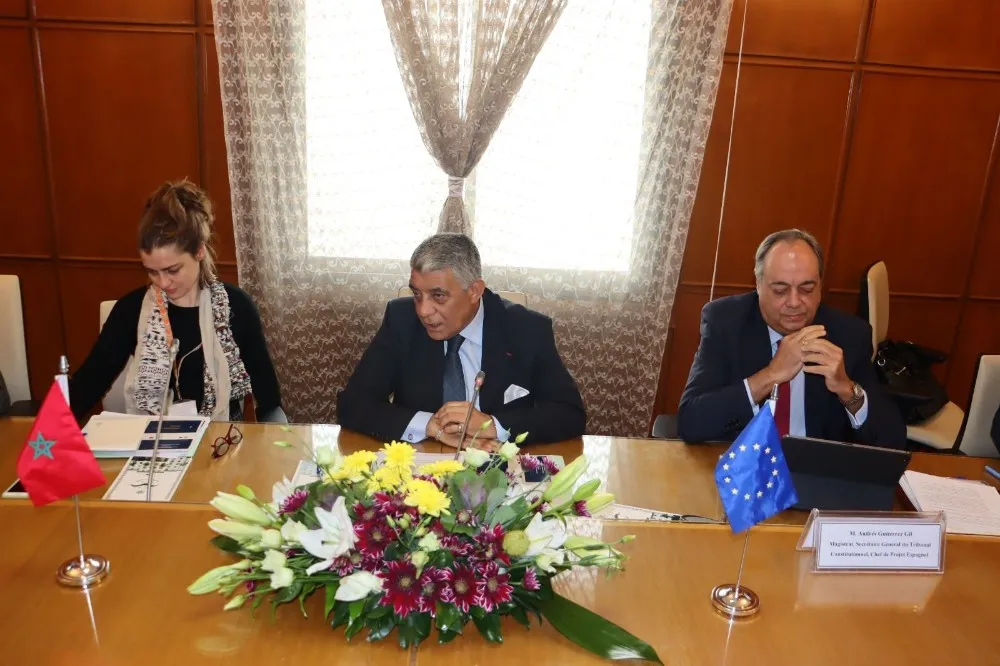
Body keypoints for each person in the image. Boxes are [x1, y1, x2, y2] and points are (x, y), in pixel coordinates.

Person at [337, 233, 585, 447]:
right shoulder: (401, 320)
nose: (423, 310)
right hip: (422, 463)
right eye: (417, 294)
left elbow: (569, 414)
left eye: (438, 296)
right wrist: (430, 425)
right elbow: (354, 404)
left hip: (497, 467)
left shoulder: (526, 329)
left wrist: (492, 425)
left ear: (474, 291)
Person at [70, 180, 285, 423]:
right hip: (153, 440)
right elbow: (87, 385)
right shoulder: (131, 310)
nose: (162, 282)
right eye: (152, 271)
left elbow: (269, 401)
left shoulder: (236, 308)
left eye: (173, 270)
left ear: (199, 251)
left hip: (221, 440)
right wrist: (47, 427)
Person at [678, 229, 905, 449]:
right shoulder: (726, 323)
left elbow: (893, 440)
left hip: (813, 467)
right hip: (745, 464)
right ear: (758, 285)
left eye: (807, 289)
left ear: (820, 287)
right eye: (780, 290)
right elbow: (690, 422)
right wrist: (770, 376)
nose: (794, 302)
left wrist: (846, 389)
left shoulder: (849, 334)